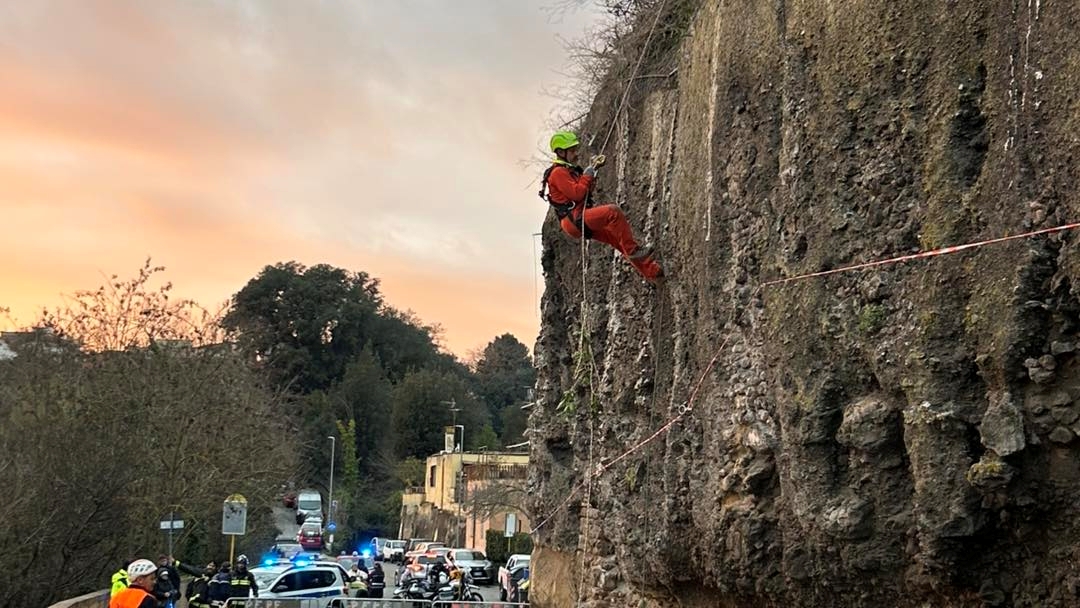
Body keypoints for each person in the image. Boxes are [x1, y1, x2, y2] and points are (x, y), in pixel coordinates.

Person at [539, 131, 663, 281]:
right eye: (571, 151)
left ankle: (653, 273)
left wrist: (593, 172)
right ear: (560, 152)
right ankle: (634, 251)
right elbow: (578, 194)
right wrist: (588, 174)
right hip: (575, 219)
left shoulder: (569, 171)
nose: (575, 153)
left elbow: (585, 192)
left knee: (617, 239)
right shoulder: (558, 173)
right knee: (613, 212)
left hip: (577, 218)